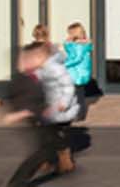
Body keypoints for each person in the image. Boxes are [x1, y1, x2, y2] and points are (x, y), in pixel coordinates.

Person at [2, 43, 60, 187]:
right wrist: (17, 113)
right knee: (41, 152)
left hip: (40, 116)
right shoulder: (21, 79)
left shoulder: (37, 75)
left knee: (48, 146)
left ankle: (53, 161)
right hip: (33, 117)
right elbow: (13, 98)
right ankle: (16, 183)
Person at [37, 39, 80, 173]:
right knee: (45, 135)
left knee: (56, 135)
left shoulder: (56, 68)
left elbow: (68, 87)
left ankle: (64, 161)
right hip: (47, 106)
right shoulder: (40, 68)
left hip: (60, 108)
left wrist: (64, 103)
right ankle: (47, 160)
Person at [64, 23, 94, 119]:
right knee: (77, 94)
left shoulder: (80, 46)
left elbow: (76, 58)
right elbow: (69, 51)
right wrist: (67, 43)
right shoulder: (79, 44)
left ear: (74, 34)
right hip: (78, 72)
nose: (68, 35)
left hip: (78, 73)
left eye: (69, 33)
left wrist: (64, 65)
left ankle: (79, 115)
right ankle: (75, 113)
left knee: (78, 95)